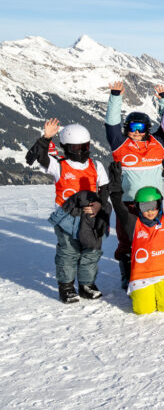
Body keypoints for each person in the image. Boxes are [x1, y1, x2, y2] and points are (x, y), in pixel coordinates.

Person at [27, 119, 111, 303]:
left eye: (84, 147)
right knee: (69, 252)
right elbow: (38, 157)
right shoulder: (59, 165)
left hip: (90, 217)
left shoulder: (96, 165)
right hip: (66, 217)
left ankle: (86, 284)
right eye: (75, 148)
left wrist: (99, 206)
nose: (80, 151)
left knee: (91, 251)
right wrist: (46, 138)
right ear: (66, 147)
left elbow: (104, 191)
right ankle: (66, 286)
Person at [104, 81, 164, 290]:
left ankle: (155, 270)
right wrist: (115, 97)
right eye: (132, 128)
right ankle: (127, 274)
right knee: (127, 240)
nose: (136, 132)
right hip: (129, 203)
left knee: (155, 240)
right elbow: (111, 123)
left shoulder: (158, 143)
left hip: (154, 203)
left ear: (147, 130)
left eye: (141, 128)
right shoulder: (120, 144)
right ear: (127, 129)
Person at [109, 163, 164, 314]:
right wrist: (115, 185)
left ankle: (159, 292)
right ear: (137, 207)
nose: (149, 211)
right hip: (142, 277)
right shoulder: (133, 224)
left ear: (159, 205)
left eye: (153, 206)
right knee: (143, 310)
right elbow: (118, 206)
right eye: (144, 207)